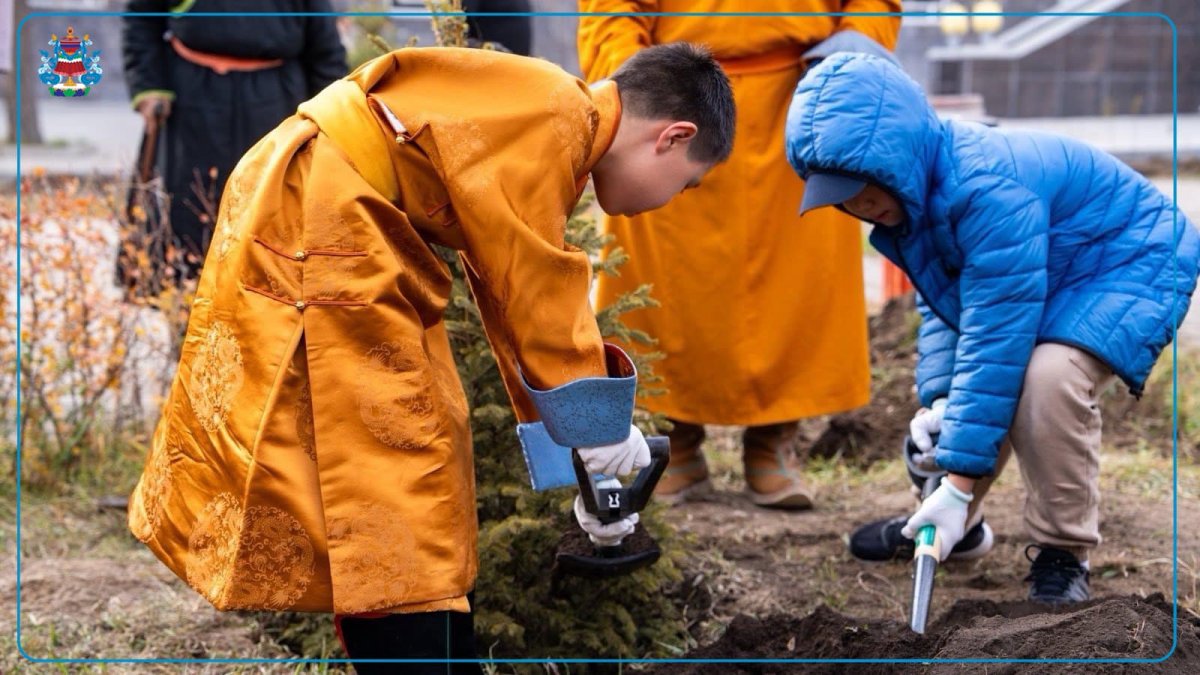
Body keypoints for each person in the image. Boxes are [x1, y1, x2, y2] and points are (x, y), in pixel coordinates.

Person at [126, 43, 734, 671]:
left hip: (335, 212)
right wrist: (599, 431)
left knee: (415, 457)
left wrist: (581, 454)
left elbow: (509, 297)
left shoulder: (554, 116)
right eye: (689, 181)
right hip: (326, 217)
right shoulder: (556, 119)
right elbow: (538, 288)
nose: (676, 196)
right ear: (672, 136)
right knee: (396, 476)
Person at [785, 53, 1200, 603]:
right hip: (1055, 266)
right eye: (841, 197)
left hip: (1126, 259)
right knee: (960, 400)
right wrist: (938, 400)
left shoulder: (985, 188)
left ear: (898, 157)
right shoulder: (913, 200)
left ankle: (1062, 553)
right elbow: (947, 306)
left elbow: (996, 338)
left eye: (863, 187)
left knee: (1047, 378)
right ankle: (955, 534)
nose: (857, 205)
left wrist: (955, 486)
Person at [578, 1, 900, 509]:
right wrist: (636, 91)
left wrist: (846, 62)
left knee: (796, 277)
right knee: (664, 282)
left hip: (799, 100)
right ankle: (675, 440)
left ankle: (774, 440)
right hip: (675, 101)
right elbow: (610, 9)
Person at [121, 0, 347, 277]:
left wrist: (328, 115)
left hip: (277, 98)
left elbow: (324, 46)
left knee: (271, 213)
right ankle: (182, 301)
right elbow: (142, 17)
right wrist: (149, 85)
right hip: (192, 96)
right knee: (189, 209)